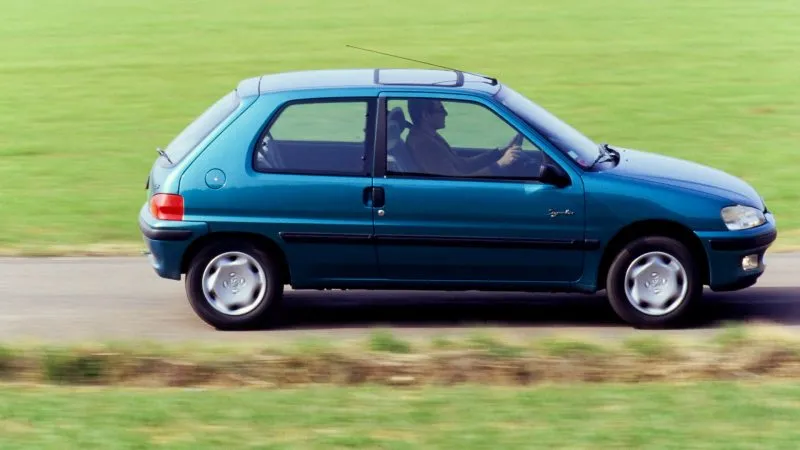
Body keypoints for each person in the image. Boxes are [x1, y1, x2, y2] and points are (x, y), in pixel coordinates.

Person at [404, 98, 523, 177]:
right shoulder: (424, 146)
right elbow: (455, 182)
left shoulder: (430, 137)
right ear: (425, 115)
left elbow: (462, 164)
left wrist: (499, 152)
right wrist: (500, 164)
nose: (446, 113)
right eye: (440, 109)